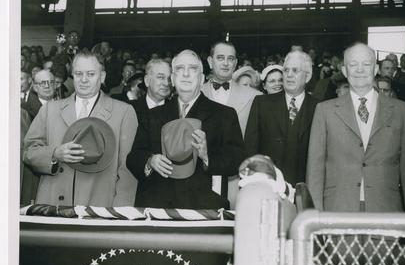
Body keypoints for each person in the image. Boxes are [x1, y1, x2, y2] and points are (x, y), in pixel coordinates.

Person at [306, 42, 405, 213]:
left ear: (375, 69)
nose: (359, 70)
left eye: (366, 64)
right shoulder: (325, 111)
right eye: (353, 65)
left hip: (386, 212)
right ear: (344, 71)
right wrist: (315, 218)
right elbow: (314, 171)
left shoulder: (402, 111)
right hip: (337, 211)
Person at [126, 49, 245, 209]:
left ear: (202, 78)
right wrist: (150, 160)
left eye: (193, 69)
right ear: (173, 79)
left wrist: (206, 156)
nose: (186, 74)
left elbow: (237, 160)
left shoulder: (224, 115)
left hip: (202, 208)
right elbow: (133, 157)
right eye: (180, 69)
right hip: (157, 208)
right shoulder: (152, 115)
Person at [23, 51, 138, 207]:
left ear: (102, 76)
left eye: (90, 74)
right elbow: (29, 152)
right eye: (78, 74)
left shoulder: (123, 112)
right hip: (52, 205)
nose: (84, 80)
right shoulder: (50, 110)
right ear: (72, 75)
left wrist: (120, 212)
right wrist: (54, 154)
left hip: (99, 206)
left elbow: (128, 170)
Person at [245, 51, 318, 185]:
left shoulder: (320, 107)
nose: (289, 75)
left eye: (295, 70)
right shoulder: (262, 103)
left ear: (307, 76)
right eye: (286, 70)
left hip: (305, 187)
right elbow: (250, 148)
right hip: (268, 185)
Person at [202, 41, 262, 205]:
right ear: (210, 61)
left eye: (230, 59)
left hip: (238, 180)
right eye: (220, 58)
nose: (226, 63)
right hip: (201, 179)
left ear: (235, 63)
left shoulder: (255, 97)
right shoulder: (195, 94)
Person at [129, 58, 172, 125]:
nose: (166, 83)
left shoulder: (177, 111)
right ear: (147, 80)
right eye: (161, 77)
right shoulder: (130, 109)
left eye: (169, 79)